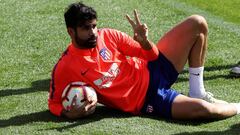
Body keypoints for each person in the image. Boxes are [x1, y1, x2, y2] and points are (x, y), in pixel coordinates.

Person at [48, 2, 240, 119]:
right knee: (207, 111)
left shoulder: (109, 35)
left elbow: (152, 56)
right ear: (71, 32)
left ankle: (197, 91)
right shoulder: (65, 66)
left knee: (197, 23)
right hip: (148, 98)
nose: (93, 33)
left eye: (94, 26)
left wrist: (145, 42)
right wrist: (68, 113)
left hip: (153, 68)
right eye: (86, 28)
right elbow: (54, 102)